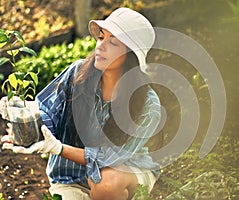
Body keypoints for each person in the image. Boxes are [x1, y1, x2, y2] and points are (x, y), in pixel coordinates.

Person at [1, 7, 161, 200]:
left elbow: (108, 159)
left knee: (105, 182)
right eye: (101, 37)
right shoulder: (78, 74)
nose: (100, 46)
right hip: (71, 178)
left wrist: (58, 148)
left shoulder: (148, 105)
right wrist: (28, 124)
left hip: (124, 174)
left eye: (113, 43)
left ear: (131, 55)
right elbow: (48, 112)